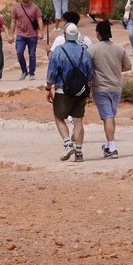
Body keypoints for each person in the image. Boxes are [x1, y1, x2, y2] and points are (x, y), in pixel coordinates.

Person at [45, 15, 95, 162]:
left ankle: (67, 144)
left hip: (63, 90)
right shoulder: (84, 51)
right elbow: (90, 73)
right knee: (78, 121)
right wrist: (89, 88)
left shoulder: (59, 51)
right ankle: (79, 153)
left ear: (65, 35)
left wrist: (48, 88)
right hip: (81, 91)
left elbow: (52, 72)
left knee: (59, 117)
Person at [88, 18, 132, 158]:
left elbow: (86, 67)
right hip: (116, 87)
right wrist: (115, 69)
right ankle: (108, 145)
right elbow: (128, 66)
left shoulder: (93, 49)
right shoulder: (119, 48)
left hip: (101, 88)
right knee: (111, 116)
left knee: (107, 117)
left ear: (98, 33)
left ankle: (112, 147)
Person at [12, 0, 42, 79]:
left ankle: (32, 73)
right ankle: (24, 71)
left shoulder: (35, 7)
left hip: (32, 35)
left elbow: (39, 19)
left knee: (32, 54)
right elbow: (13, 21)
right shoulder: (16, 8)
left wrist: (40, 32)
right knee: (19, 52)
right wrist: (11, 35)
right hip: (20, 34)